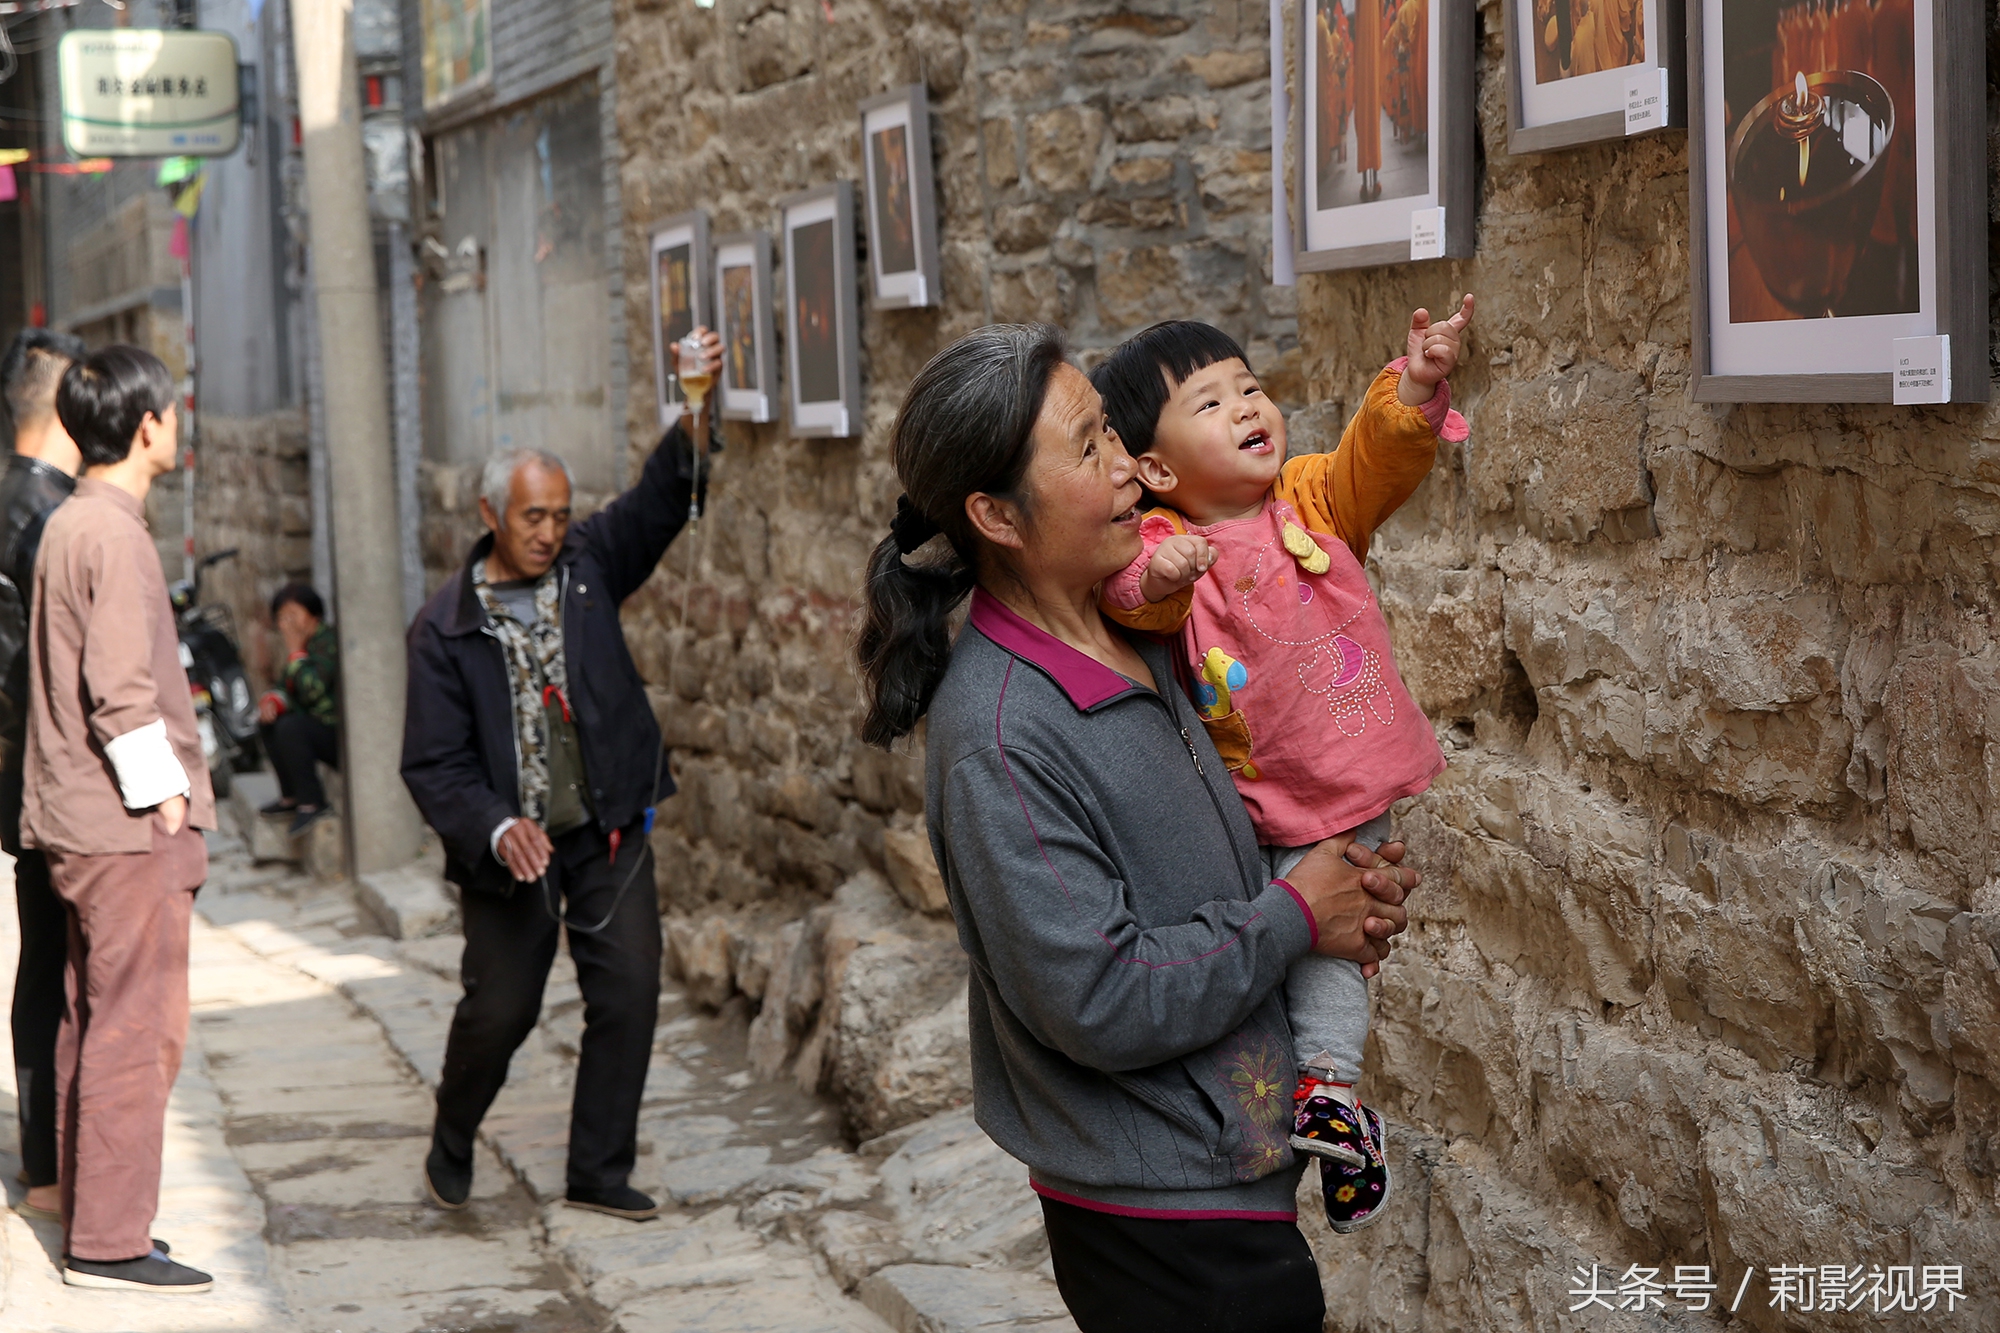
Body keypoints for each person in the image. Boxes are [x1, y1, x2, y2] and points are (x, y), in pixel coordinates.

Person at [854, 325, 1418, 1333]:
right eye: (1085, 450)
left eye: (1113, 434)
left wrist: (1335, 887)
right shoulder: (1000, 734)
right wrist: (1293, 913)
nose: (1126, 469)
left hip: (1222, 1176)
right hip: (1157, 1219)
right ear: (996, 515)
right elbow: (1097, 993)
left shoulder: (1139, 630)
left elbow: (1218, 845)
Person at [1088, 297, 1472, 1235]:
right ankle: (1277, 1111)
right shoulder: (1160, 542)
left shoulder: (1307, 500)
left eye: (1249, 389)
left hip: (1348, 783)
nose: (1248, 408)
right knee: (1282, 943)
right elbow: (1130, 598)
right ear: (1155, 467)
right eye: (1211, 404)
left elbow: (1371, 463)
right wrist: (1168, 574)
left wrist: (1414, 387)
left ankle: (1330, 1093)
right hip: (1250, 803)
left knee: (1342, 938)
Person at [401, 328, 722, 1222]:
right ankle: (454, 1131)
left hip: (609, 827)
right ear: (490, 514)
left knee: (627, 990)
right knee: (500, 1010)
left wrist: (693, 408)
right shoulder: (443, 629)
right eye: (532, 517)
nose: (550, 532)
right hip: (515, 857)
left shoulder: (587, 565)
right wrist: (498, 826)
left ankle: (598, 1168)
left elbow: (661, 498)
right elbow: (433, 761)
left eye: (559, 514)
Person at [22, 345, 215, 1293]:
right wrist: (169, 799)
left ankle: (92, 1214)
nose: (177, 425)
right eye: (171, 412)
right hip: (122, 827)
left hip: (76, 821)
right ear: (146, 425)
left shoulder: (72, 519)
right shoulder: (114, 534)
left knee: (89, 1020)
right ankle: (108, 1241)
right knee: (137, 1030)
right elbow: (120, 693)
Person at [0, 327, 87, 1227]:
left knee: (42, 968)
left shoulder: (12, 501)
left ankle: (44, 1159)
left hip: (20, 783)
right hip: (53, 785)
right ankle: (58, 1165)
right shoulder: (53, 517)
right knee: (65, 975)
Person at [256, 582, 339, 834]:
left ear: (313, 615)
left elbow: (312, 690)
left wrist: (295, 652)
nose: (287, 624)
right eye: (282, 618)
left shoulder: (327, 643)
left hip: (342, 736)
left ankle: (312, 803)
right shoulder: (306, 646)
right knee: (268, 722)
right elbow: (286, 687)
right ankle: (291, 797)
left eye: (293, 615)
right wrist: (274, 701)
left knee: (292, 728)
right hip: (322, 730)